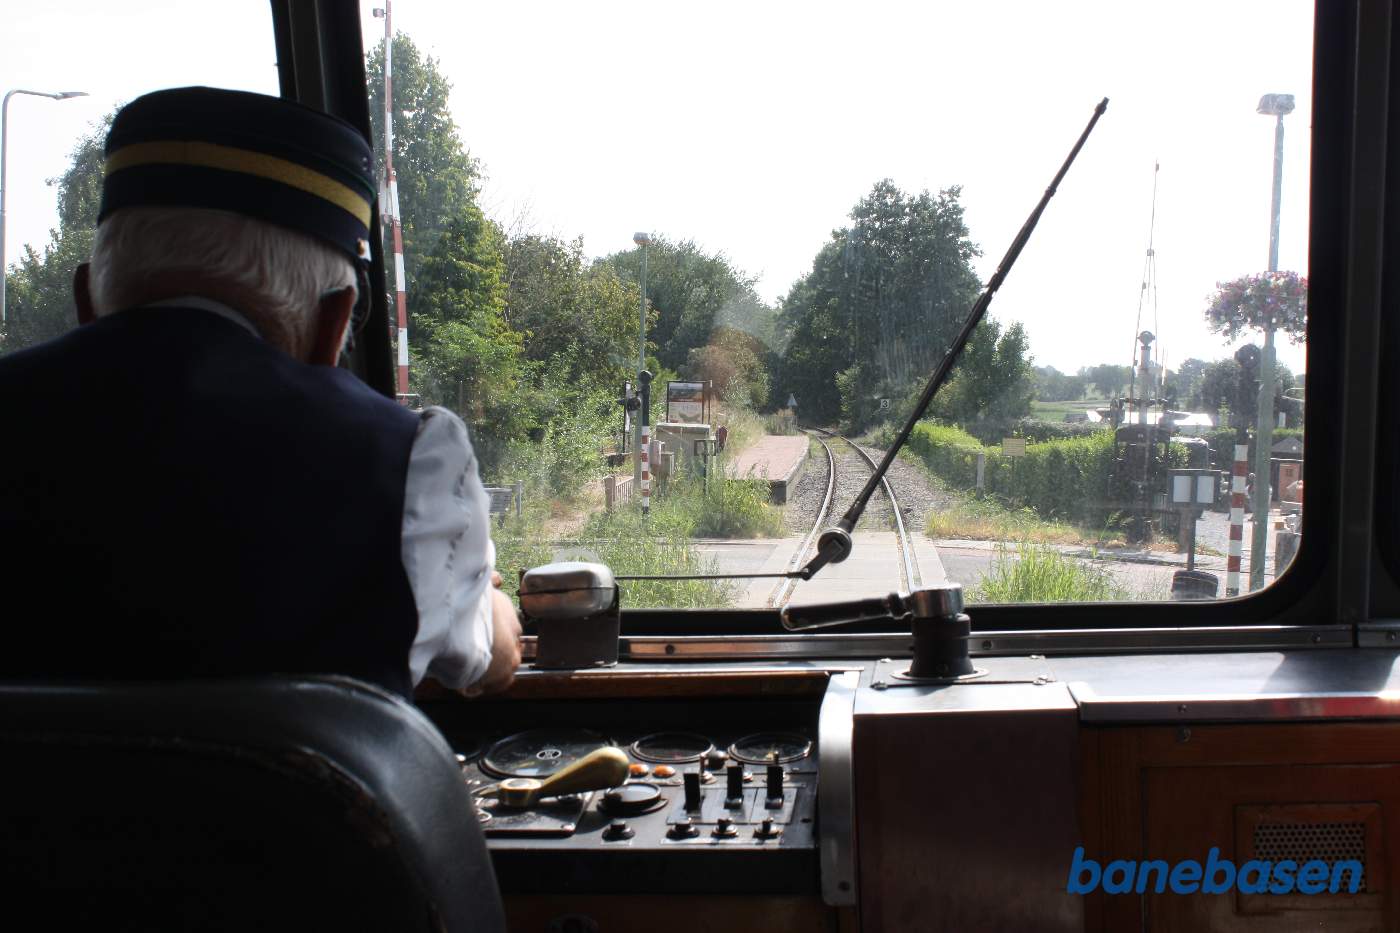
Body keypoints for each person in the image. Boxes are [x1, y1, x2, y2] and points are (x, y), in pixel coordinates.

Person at [0, 87, 520, 701]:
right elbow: (488, 659)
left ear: (87, 300)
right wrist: (489, 603)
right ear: (336, 324)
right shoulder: (406, 459)